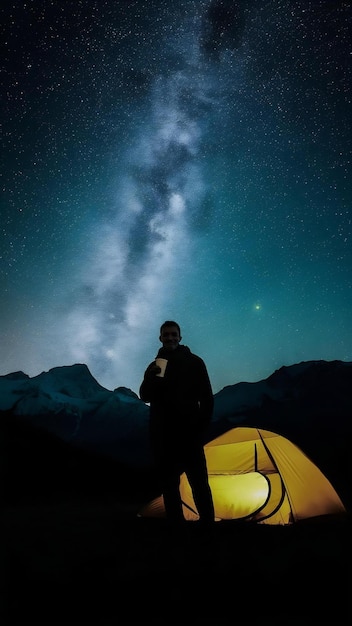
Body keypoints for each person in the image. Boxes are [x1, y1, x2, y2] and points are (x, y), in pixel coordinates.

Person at [139, 320, 215, 527]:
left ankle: (208, 526)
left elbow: (207, 398)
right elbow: (144, 396)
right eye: (166, 335)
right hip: (162, 436)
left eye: (174, 334)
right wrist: (152, 379)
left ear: (180, 337)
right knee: (169, 485)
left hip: (190, 434)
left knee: (199, 483)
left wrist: (200, 428)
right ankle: (176, 528)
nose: (170, 338)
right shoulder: (155, 365)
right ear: (160, 338)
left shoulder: (195, 362)